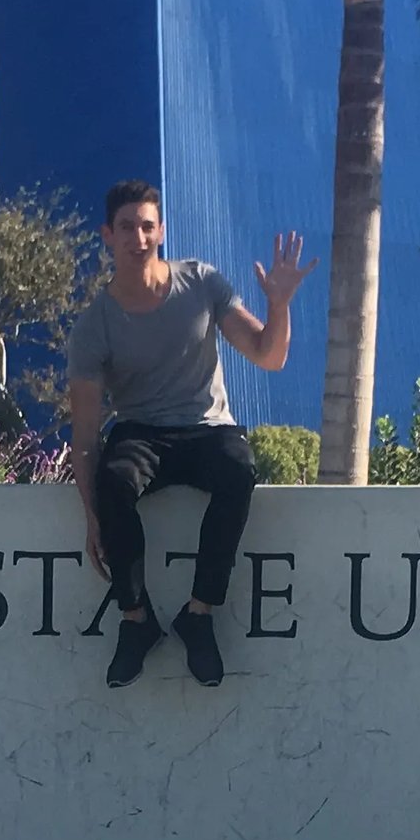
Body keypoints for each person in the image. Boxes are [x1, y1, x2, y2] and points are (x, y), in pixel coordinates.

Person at [64, 180, 309, 687]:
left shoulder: (201, 283)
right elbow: (85, 435)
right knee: (114, 479)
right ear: (108, 235)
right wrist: (92, 517)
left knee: (238, 470)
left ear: (162, 231)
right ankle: (136, 620)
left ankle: (199, 614)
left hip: (206, 428)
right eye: (127, 227)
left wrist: (280, 304)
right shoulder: (94, 326)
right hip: (141, 431)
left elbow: (269, 356)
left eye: (147, 226)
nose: (138, 238)